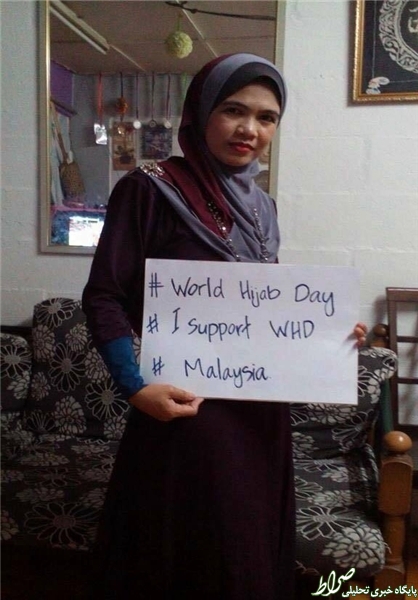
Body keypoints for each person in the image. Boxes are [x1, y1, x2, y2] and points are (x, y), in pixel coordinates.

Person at [82, 53, 367, 600]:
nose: (250, 130)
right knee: (192, 547)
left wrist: (326, 332)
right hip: (186, 408)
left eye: (267, 118)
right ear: (202, 111)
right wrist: (134, 386)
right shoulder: (150, 188)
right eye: (234, 110)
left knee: (248, 546)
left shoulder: (263, 206)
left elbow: (261, 307)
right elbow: (105, 296)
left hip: (259, 412)